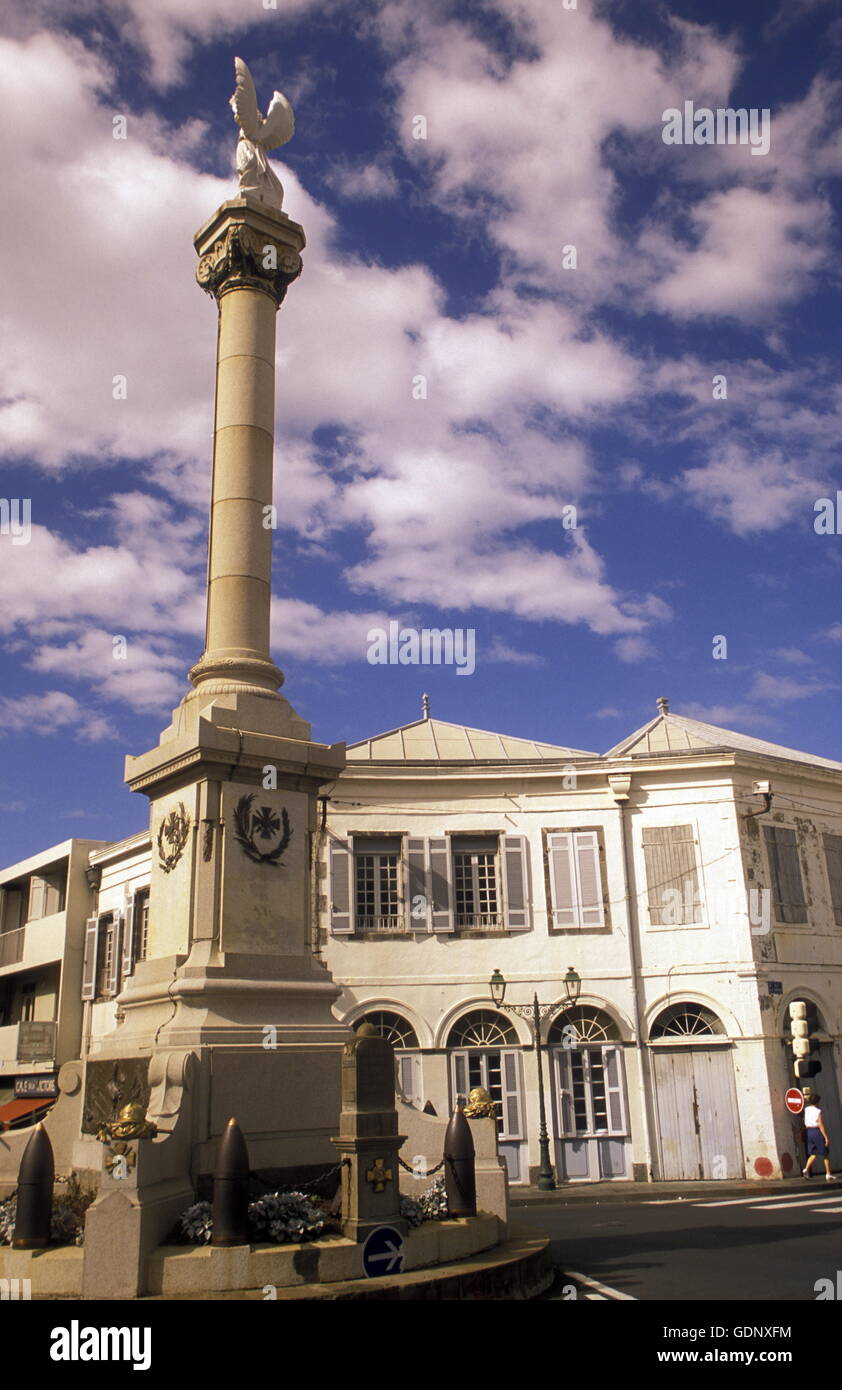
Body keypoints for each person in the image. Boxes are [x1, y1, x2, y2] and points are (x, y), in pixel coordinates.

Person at [802, 1093, 832, 1180]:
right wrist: (826, 1137)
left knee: (813, 1153)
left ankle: (806, 1169)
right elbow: (820, 1124)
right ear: (818, 1102)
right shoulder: (818, 1111)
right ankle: (828, 1173)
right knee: (825, 1153)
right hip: (816, 1131)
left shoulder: (806, 1109)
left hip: (809, 1132)